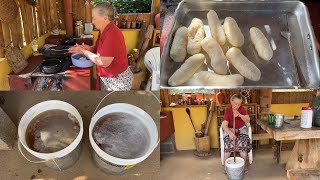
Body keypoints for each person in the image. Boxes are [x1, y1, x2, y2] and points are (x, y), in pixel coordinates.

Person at [68, 2, 133, 91]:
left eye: (94, 18)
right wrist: (89, 48)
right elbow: (98, 47)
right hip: (108, 77)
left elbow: (103, 62)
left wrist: (83, 52)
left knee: (112, 104)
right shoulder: (103, 30)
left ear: (105, 18)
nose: (92, 21)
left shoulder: (112, 33)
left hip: (117, 80)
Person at [223, 94, 252, 173]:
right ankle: (227, 166)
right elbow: (224, 126)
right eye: (236, 103)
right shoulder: (228, 111)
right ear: (231, 101)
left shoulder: (242, 109)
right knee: (228, 143)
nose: (237, 106)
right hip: (230, 129)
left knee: (243, 143)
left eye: (239, 104)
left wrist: (239, 114)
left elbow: (247, 120)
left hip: (241, 129)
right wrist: (229, 133)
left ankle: (244, 166)